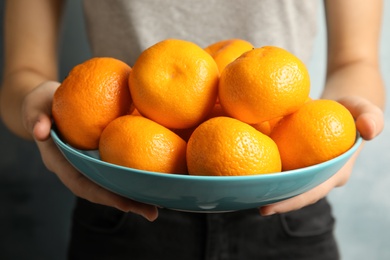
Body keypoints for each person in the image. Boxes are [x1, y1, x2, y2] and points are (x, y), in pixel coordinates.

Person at [0, 0, 385, 259]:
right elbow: (23, 73)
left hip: (287, 198)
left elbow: (356, 60)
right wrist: (40, 107)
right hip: (122, 198)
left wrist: (341, 133)